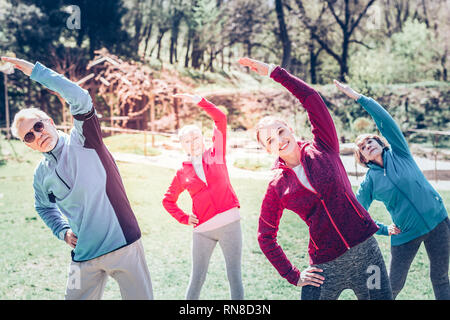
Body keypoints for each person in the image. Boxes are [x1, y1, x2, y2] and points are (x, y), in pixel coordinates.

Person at [238, 57, 393, 300]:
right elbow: (265, 236)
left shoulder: (324, 145)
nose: (279, 140)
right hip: (325, 265)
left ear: (290, 129)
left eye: (280, 131)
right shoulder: (277, 186)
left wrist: (274, 72)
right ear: (267, 150)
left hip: (365, 252)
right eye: (270, 140)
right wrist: (293, 275)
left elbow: (311, 98)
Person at [3, 56, 153, 300]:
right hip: (83, 256)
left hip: (123, 244)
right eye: (29, 137)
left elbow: (80, 98)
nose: (37, 136)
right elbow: (43, 207)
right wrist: (62, 230)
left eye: (38, 127)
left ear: (50, 122)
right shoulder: (41, 175)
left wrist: (35, 72)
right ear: (27, 146)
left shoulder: (85, 139)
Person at [335, 80, 450, 300]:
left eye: (371, 140)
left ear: (380, 142)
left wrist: (359, 97)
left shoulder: (400, 153)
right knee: (390, 287)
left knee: (441, 278)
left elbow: (386, 122)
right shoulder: (369, 182)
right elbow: (358, 215)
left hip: (438, 222)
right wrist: (383, 229)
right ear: (363, 158)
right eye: (363, 146)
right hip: (406, 234)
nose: (368, 144)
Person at [162, 93, 244, 300]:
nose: (193, 143)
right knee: (197, 278)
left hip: (230, 225)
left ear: (203, 138)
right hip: (202, 230)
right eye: (187, 141)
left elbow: (220, 119)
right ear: (182, 145)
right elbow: (167, 200)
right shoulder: (182, 172)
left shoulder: (216, 154)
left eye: (195, 137)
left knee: (234, 276)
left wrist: (200, 101)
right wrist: (184, 217)